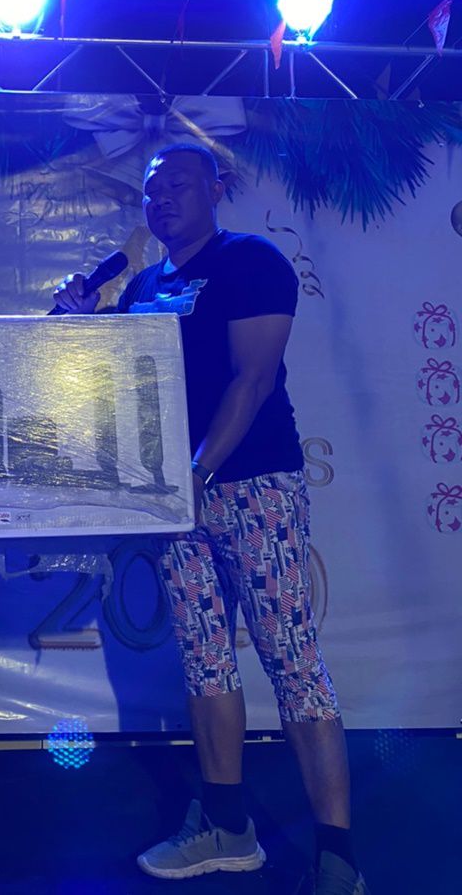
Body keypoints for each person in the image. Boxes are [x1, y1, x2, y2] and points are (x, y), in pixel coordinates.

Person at [52, 143, 369, 895]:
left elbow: (251, 381)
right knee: (204, 658)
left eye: (179, 184)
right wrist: (78, 323)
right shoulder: (143, 285)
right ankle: (228, 828)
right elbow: (112, 385)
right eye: (151, 188)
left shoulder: (250, 261)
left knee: (291, 660)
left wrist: (197, 474)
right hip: (175, 497)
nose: (162, 198)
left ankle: (337, 857)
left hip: (251, 485)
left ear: (216, 189)